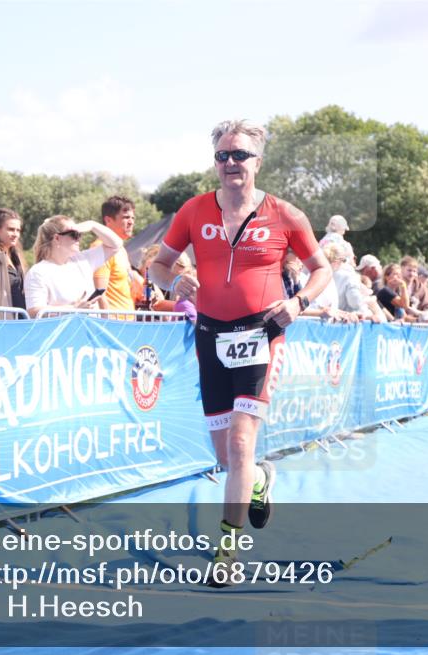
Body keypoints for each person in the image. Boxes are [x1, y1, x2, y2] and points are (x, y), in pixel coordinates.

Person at [147, 119, 331, 581]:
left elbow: (322, 269)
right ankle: (261, 478)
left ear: (258, 162)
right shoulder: (193, 210)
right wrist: (173, 280)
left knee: (241, 441)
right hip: (210, 336)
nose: (231, 162)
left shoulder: (285, 214)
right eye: (222, 155)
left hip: (261, 334)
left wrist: (299, 302)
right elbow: (157, 266)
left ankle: (227, 550)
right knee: (226, 458)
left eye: (240, 155)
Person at [24, 216, 123, 318]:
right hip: (63, 328)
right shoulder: (37, 272)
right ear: (57, 238)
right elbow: (34, 311)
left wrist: (93, 225)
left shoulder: (83, 260)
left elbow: (116, 244)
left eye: (79, 234)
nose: (78, 238)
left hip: (89, 327)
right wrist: (73, 309)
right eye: (73, 234)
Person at [93, 195, 141, 317]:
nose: (131, 222)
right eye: (126, 217)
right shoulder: (100, 248)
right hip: (112, 323)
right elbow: (99, 293)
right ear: (108, 220)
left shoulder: (122, 250)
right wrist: (108, 323)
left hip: (126, 322)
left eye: (132, 218)